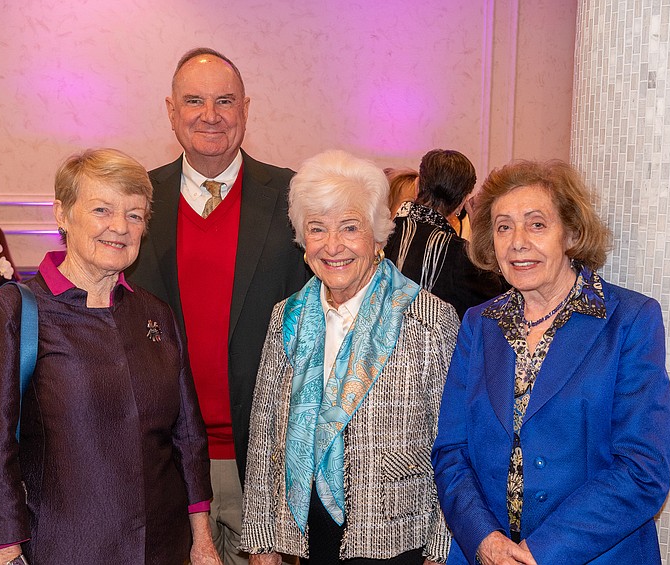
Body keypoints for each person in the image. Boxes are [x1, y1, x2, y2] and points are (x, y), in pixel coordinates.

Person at [0, 149, 220, 564]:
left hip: (163, 548)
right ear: (62, 214)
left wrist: (202, 540)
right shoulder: (13, 313)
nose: (120, 227)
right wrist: (7, 556)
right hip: (65, 548)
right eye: (102, 210)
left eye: (134, 215)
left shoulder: (155, 314)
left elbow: (187, 437)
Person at [431, 160, 670, 564]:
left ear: (572, 234)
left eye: (537, 224)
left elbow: (642, 469)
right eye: (504, 227)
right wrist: (484, 540)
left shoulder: (629, 320)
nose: (517, 242)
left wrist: (541, 551)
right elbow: (452, 451)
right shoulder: (479, 323)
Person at [127, 47, 308, 563]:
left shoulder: (293, 197)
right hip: (165, 462)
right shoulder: (136, 202)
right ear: (171, 112)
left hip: (268, 463)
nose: (210, 115)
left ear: (245, 111)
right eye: (194, 101)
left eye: (225, 101)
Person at [241, 150, 459, 564]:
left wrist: (442, 551)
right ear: (303, 241)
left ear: (378, 236)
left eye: (350, 227)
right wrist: (262, 541)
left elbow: (453, 445)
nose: (333, 245)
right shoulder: (287, 317)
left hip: (397, 533)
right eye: (317, 229)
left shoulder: (428, 318)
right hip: (305, 535)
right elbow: (264, 435)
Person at [384, 149, 506, 320]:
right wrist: (481, 230)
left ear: (417, 186)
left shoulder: (381, 233)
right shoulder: (458, 255)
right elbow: (503, 300)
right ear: (461, 204)